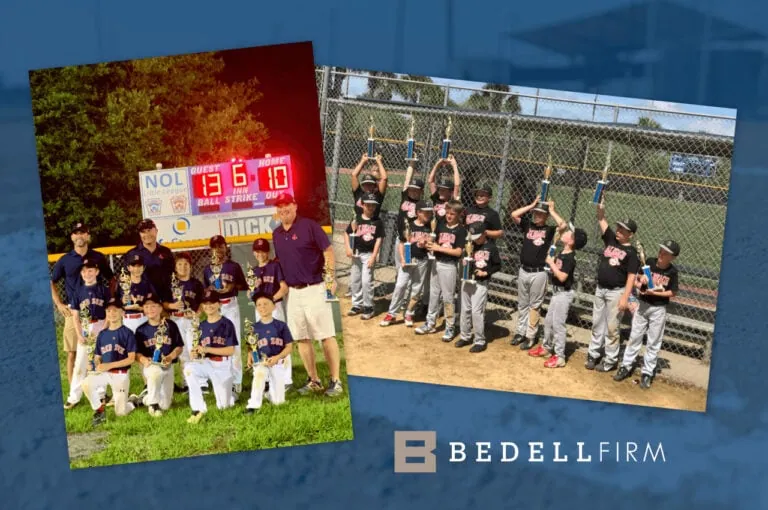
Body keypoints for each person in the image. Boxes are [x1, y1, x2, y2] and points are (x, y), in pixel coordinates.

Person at [271, 192, 343, 397]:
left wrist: (330, 278)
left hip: (315, 287)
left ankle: (335, 380)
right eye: (280, 206)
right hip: (293, 293)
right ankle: (314, 380)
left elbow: (328, 251)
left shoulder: (309, 226)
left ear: (295, 205)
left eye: (287, 204)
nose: (283, 209)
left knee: (326, 335)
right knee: (301, 337)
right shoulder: (276, 234)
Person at [50, 220, 114, 386]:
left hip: (98, 313)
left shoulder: (98, 257)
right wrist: (59, 303)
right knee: (72, 352)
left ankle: (100, 387)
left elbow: (112, 278)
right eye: (76, 233)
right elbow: (51, 281)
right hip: (74, 312)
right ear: (72, 237)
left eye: (83, 232)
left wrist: (111, 301)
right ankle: (74, 390)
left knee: (101, 350)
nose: (79, 236)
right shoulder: (65, 260)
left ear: (88, 236)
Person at [613, 240, 680, 389]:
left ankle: (647, 372)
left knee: (654, 341)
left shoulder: (672, 272)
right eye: (661, 250)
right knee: (635, 336)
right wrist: (641, 280)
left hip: (658, 309)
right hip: (642, 305)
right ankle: (626, 365)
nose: (661, 253)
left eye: (666, 253)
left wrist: (655, 292)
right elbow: (637, 280)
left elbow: (673, 292)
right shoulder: (649, 262)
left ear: (673, 257)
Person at [585, 204, 640, 372]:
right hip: (601, 289)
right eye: (618, 227)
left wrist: (625, 296)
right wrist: (601, 206)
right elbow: (601, 218)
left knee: (612, 327)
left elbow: (631, 276)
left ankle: (610, 359)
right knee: (597, 323)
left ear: (630, 234)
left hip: (617, 292)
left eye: (623, 230)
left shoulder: (632, 253)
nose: (618, 231)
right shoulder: (610, 240)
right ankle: (594, 354)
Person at [509, 199, 568, 350]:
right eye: (536, 213)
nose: (537, 216)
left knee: (534, 306)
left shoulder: (549, 230)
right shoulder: (528, 225)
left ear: (546, 216)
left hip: (539, 272)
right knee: (522, 304)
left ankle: (530, 335)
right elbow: (514, 214)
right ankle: (520, 332)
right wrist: (531, 205)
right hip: (523, 270)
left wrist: (552, 210)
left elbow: (564, 226)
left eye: (541, 214)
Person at [528, 225, 588, 367]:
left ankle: (560, 356)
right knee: (548, 322)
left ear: (571, 242)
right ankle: (546, 348)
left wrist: (550, 263)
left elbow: (562, 277)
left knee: (558, 325)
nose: (566, 232)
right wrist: (552, 250)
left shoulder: (570, 258)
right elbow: (553, 264)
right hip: (556, 293)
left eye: (569, 233)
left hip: (563, 294)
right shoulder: (563, 253)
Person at [81, 296, 141, 426]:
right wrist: (94, 364)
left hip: (120, 374)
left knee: (121, 412)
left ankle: (132, 402)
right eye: (109, 311)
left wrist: (109, 365)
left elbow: (131, 359)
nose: (112, 313)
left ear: (122, 313)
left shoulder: (128, 333)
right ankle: (99, 410)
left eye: (115, 310)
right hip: (104, 374)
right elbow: (97, 357)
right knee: (86, 383)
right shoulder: (102, 334)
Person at [184, 289, 239, 424]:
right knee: (189, 369)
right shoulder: (200, 326)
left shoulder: (227, 324)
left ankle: (231, 395)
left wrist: (207, 348)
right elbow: (198, 350)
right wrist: (195, 353)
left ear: (219, 304)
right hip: (206, 363)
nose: (209, 306)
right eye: (206, 303)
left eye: (212, 302)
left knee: (224, 406)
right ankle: (198, 408)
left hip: (222, 366)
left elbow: (230, 350)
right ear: (202, 306)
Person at [415, 200, 468, 340]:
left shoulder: (461, 230)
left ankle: (450, 326)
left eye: (452, 214)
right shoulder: (440, 225)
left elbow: (458, 252)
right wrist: (425, 242)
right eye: (447, 213)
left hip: (449, 266)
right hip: (436, 263)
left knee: (448, 297)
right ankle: (430, 322)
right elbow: (435, 241)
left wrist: (439, 248)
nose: (449, 216)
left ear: (459, 215)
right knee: (433, 294)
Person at [64, 258, 111, 410]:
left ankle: (101, 394)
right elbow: (75, 317)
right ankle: (74, 396)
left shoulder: (104, 290)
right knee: (80, 365)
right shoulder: (78, 291)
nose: (87, 273)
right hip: (84, 326)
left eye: (90, 270)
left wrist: (103, 331)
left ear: (97, 271)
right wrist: (79, 334)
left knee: (99, 362)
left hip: (100, 324)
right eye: (84, 271)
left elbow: (110, 313)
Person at [204, 235, 247, 395]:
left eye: (220, 246)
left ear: (225, 247)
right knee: (216, 343)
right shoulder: (208, 269)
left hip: (230, 305)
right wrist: (210, 290)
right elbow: (205, 288)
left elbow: (243, 285)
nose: (218, 249)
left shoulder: (233, 266)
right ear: (211, 249)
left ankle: (237, 381)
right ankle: (219, 378)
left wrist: (232, 285)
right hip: (214, 309)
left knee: (233, 344)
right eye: (215, 246)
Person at [379, 200, 434, 327]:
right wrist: (402, 259)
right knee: (400, 285)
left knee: (417, 288)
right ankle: (392, 313)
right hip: (408, 260)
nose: (428, 215)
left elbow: (432, 244)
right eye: (425, 212)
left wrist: (426, 243)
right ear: (418, 212)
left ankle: (409, 312)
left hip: (422, 260)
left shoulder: (430, 227)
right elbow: (402, 243)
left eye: (429, 213)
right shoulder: (409, 225)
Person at [133, 293, 184, 417]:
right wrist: (143, 359)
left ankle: (142, 399)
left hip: (168, 366)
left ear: (161, 308)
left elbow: (179, 346)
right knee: (155, 372)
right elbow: (136, 353)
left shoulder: (170, 325)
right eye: (147, 307)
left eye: (154, 306)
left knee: (165, 405)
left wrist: (171, 356)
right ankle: (153, 405)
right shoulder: (141, 330)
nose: (150, 309)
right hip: (151, 365)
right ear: (143, 310)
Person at [249, 238, 291, 387]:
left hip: (275, 307)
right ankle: (266, 377)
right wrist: (253, 289)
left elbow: (284, 287)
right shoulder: (252, 271)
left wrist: (270, 301)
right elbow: (250, 295)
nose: (260, 254)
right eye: (257, 251)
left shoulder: (275, 266)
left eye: (263, 251)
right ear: (254, 252)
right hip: (259, 309)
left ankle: (286, 379)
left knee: (280, 341)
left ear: (268, 252)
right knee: (261, 342)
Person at [244, 293, 295, 414]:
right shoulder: (253, 328)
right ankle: (253, 405)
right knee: (260, 373)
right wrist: (250, 357)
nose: (262, 307)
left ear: (274, 306)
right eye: (259, 305)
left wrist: (277, 357)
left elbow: (289, 347)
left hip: (277, 363)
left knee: (278, 402)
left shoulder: (281, 325)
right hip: (261, 361)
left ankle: (268, 393)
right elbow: (251, 348)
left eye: (266, 304)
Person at [455, 224, 502, 353]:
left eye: (477, 237)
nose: (475, 240)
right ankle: (465, 336)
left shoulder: (491, 247)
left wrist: (486, 273)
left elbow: (498, 266)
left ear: (484, 234)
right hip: (467, 281)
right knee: (464, 310)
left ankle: (480, 341)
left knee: (477, 312)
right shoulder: (469, 245)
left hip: (480, 283)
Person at [165, 251, 205, 392]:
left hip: (190, 320)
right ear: (175, 267)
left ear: (191, 266)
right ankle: (187, 382)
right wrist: (171, 306)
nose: (183, 267)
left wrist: (197, 313)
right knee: (182, 353)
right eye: (179, 264)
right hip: (176, 319)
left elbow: (202, 302)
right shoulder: (170, 284)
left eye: (186, 264)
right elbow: (163, 303)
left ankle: (201, 382)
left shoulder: (196, 284)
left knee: (194, 348)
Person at [345, 193, 385, 320]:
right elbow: (347, 233)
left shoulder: (377, 222)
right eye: (368, 205)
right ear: (362, 205)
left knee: (366, 281)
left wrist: (374, 256)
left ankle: (369, 306)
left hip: (368, 255)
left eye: (373, 205)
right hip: (356, 253)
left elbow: (379, 239)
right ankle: (357, 304)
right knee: (355, 280)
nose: (371, 207)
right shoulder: (356, 219)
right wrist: (347, 248)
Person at [124, 219, 175, 304]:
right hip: (142, 300)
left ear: (156, 231)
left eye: (149, 230)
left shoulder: (166, 252)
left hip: (165, 298)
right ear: (139, 234)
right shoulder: (131, 254)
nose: (147, 234)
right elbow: (125, 279)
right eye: (143, 232)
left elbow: (173, 275)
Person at [116, 254, 157, 333]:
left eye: (139, 266)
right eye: (133, 266)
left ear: (143, 267)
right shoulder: (122, 284)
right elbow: (114, 304)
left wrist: (141, 308)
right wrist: (122, 302)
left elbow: (154, 305)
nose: (136, 269)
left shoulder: (148, 284)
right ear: (128, 267)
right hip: (126, 320)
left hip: (144, 319)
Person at [351, 153, 388, 221]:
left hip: (371, 226)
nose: (368, 186)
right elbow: (354, 175)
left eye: (370, 184)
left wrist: (379, 162)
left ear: (374, 186)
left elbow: (384, 178)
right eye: (366, 184)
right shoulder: (358, 193)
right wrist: (363, 160)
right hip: (357, 224)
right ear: (362, 185)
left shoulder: (377, 195)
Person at [427, 155, 461, 220]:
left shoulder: (452, 202)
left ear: (451, 192)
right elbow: (431, 181)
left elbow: (457, 185)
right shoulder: (436, 198)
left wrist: (454, 165)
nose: (440, 192)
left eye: (444, 190)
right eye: (440, 189)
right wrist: (437, 164)